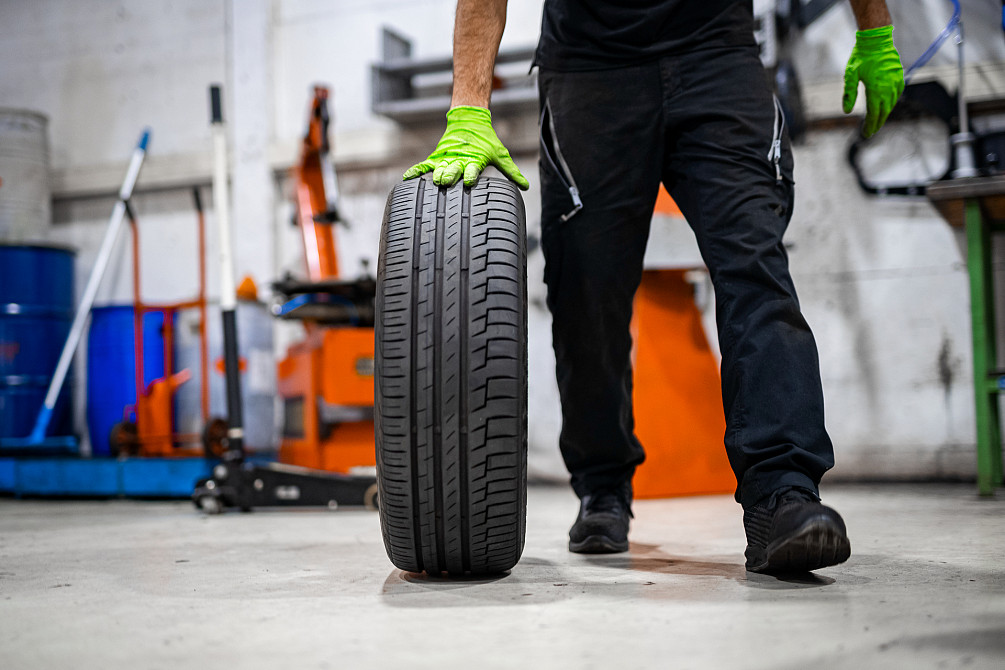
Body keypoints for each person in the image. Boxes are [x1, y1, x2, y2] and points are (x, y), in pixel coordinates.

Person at [403, 0, 904, 574]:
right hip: (591, 70)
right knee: (586, 295)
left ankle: (782, 495)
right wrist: (469, 108)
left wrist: (876, 32)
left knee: (755, 267)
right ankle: (603, 488)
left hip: (717, 54)